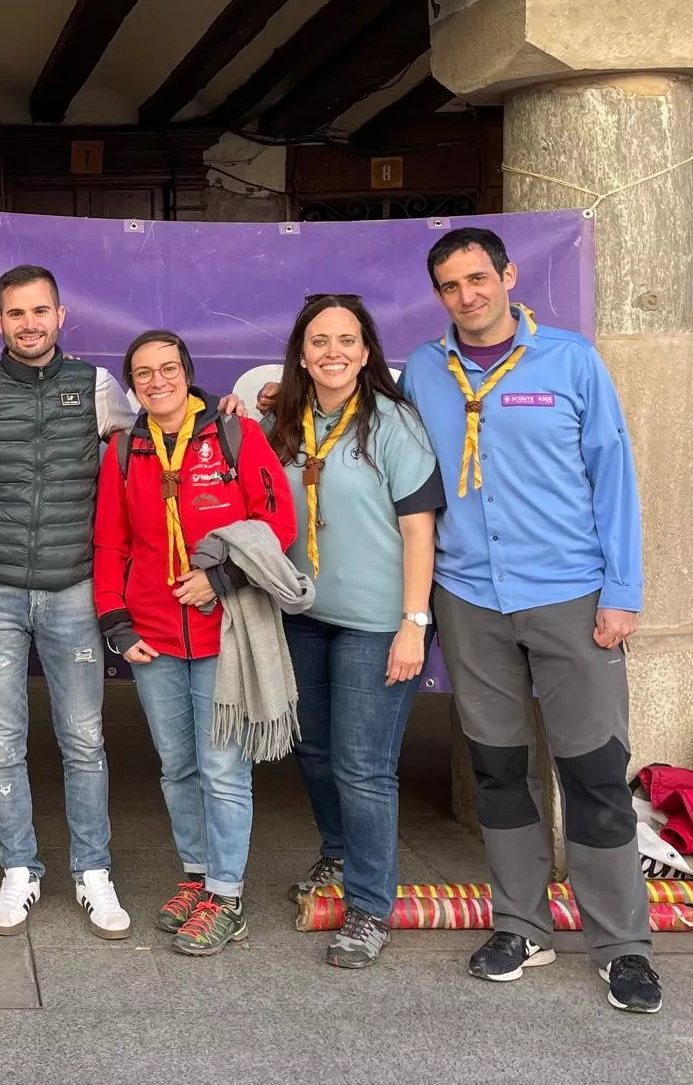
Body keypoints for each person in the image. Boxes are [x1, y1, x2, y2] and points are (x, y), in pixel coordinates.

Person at [398, 227, 660, 1013]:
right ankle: (521, 923)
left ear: (508, 276)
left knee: (593, 771)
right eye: (450, 286)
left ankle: (623, 946)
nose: (466, 296)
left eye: (478, 279)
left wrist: (623, 589)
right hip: (469, 595)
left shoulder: (571, 361)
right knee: (498, 772)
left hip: (570, 595)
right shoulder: (421, 369)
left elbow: (613, 473)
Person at [0, 264, 136, 939]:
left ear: (61, 316)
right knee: (2, 741)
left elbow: (140, 461)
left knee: (84, 738)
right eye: (16, 314)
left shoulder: (97, 387)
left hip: (74, 588)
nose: (29, 324)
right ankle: (20, 868)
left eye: (40, 311)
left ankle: (93, 871)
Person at [93, 330, 296, 955]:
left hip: (223, 633)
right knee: (177, 767)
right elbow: (110, 543)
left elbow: (278, 524)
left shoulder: (235, 436)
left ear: (188, 373)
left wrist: (220, 578)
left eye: (168, 369)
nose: (157, 382)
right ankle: (198, 876)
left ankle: (228, 896)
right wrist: (115, 624)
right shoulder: (126, 449)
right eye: (144, 373)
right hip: (152, 638)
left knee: (222, 769)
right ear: (133, 385)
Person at [260, 294, 443, 968]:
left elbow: (419, 531)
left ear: (366, 352)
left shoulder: (393, 423)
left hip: (376, 622)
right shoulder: (283, 420)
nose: (332, 352)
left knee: (363, 767)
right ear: (301, 354)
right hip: (303, 615)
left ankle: (369, 907)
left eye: (346, 340)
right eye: (318, 341)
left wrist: (413, 625)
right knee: (312, 752)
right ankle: (336, 854)